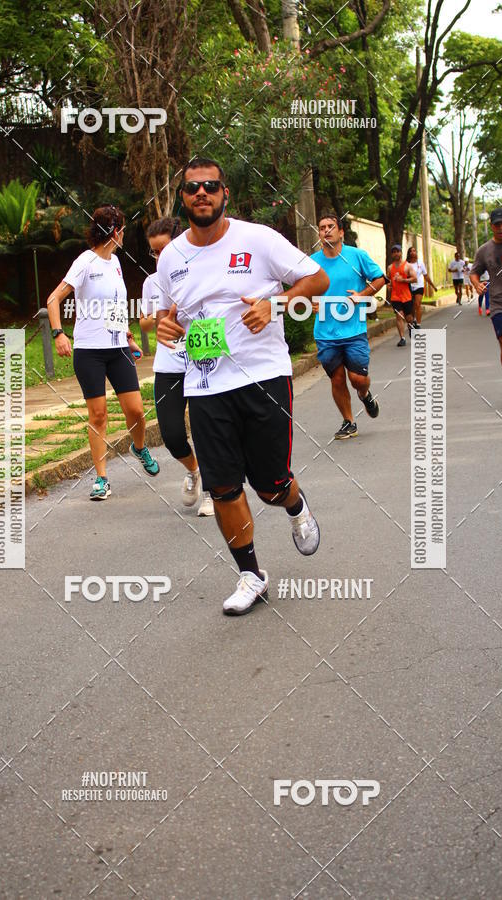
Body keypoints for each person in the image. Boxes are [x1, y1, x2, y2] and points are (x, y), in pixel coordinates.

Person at [156, 156, 329, 615]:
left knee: (269, 486)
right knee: (223, 488)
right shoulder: (171, 256)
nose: (201, 193)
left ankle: (294, 504)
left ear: (223, 193)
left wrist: (278, 303)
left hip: (264, 378)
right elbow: (164, 312)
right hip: (205, 383)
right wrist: (162, 326)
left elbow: (318, 277)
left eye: (210, 186)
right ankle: (251, 574)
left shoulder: (257, 238)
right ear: (183, 196)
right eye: (193, 187)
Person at [47, 204, 160, 499]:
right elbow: (53, 299)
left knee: (135, 410)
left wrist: (129, 337)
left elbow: (116, 309)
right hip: (89, 352)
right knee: (97, 415)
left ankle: (138, 446)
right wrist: (59, 333)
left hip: (118, 348)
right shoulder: (85, 262)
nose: (123, 235)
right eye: (121, 230)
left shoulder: (115, 263)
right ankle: (101, 478)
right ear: (114, 232)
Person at [139, 217, 214, 516]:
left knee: (204, 430)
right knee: (170, 434)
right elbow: (145, 323)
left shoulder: (200, 270)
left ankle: (212, 490)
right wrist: (159, 320)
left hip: (201, 361)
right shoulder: (151, 281)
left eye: (163, 249)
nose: (159, 258)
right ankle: (193, 471)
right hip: (168, 363)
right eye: (154, 252)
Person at [310, 210, 385, 440]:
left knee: (358, 379)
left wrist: (362, 295)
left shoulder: (357, 256)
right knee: (338, 379)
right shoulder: (312, 263)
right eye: (322, 228)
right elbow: (303, 289)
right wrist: (309, 301)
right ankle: (349, 421)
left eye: (330, 226)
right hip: (325, 332)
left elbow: (380, 278)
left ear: (341, 232)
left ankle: (365, 395)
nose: (326, 231)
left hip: (354, 330)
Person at [470, 208, 502, 403]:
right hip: (500, 305)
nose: (500, 228)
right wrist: (476, 284)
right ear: (491, 226)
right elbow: (474, 272)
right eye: (496, 224)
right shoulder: (484, 250)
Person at [387, 244, 416, 346]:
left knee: (408, 318)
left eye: (397, 251)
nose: (396, 254)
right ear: (392, 254)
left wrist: (403, 280)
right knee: (399, 316)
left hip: (406, 296)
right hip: (395, 296)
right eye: (394, 252)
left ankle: (411, 325)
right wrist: (389, 285)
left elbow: (414, 278)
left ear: (401, 253)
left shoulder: (407, 266)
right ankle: (402, 338)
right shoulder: (390, 268)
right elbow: (388, 280)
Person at [407, 246, 436, 326]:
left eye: (414, 250)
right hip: (409, 287)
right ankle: (413, 321)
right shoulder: (406, 264)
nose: (413, 252)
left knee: (417, 304)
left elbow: (426, 276)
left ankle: (418, 324)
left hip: (419, 286)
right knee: (412, 306)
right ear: (409, 254)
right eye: (411, 251)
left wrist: (432, 286)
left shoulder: (420, 263)